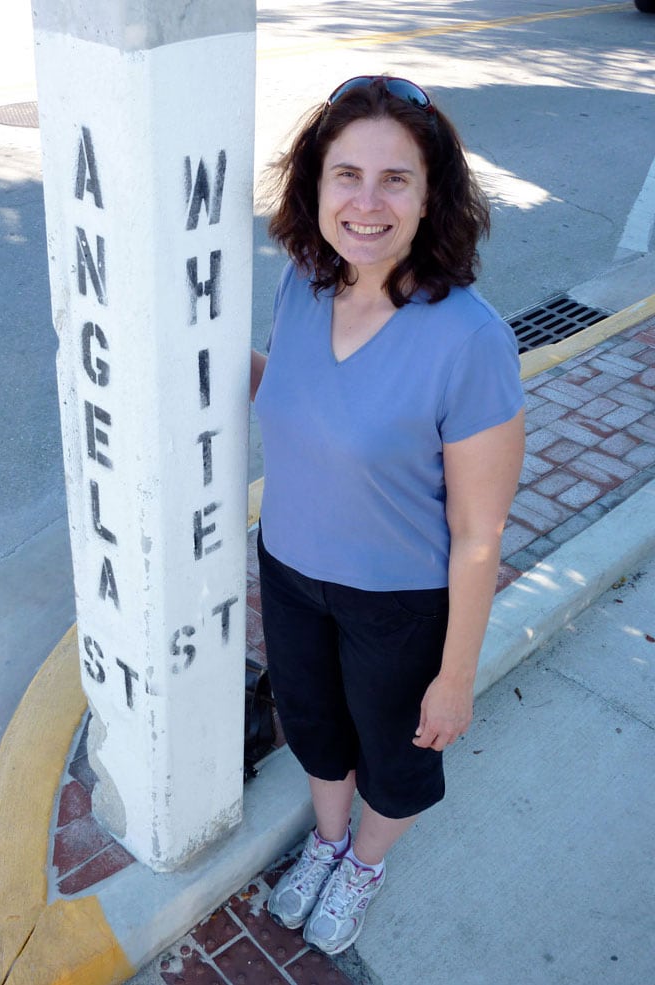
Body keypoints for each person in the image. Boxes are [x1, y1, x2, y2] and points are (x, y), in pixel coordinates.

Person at [249, 75, 525, 955]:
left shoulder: (470, 340)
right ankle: (328, 839)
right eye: (346, 175)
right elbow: (301, 395)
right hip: (289, 568)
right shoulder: (304, 281)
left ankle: (365, 860)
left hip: (397, 600)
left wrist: (455, 675)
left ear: (431, 192)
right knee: (315, 722)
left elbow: (479, 533)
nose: (366, 202)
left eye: (395, 179)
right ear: (315, 184)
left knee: (396, 753)